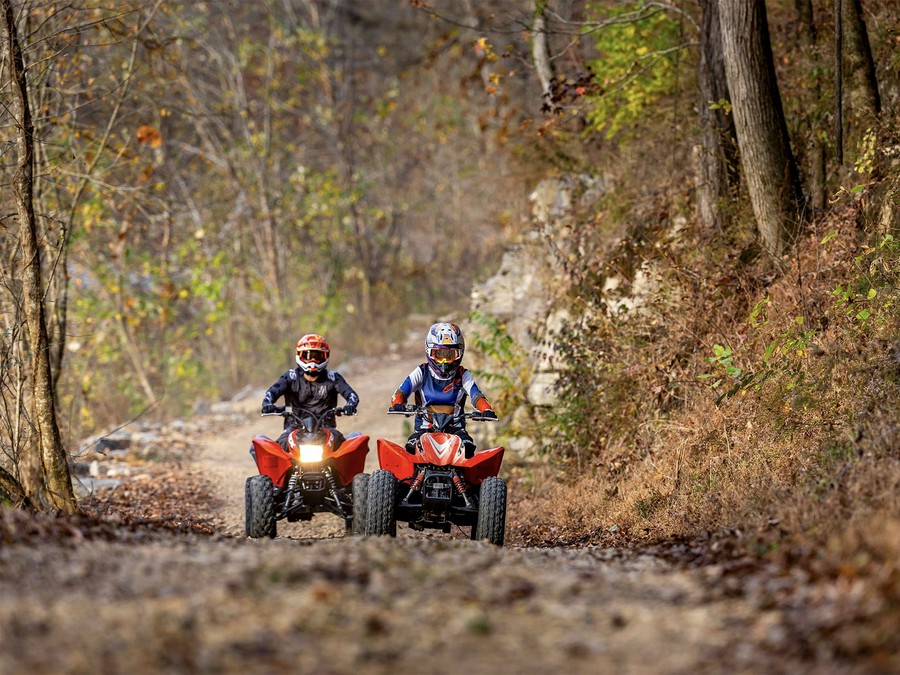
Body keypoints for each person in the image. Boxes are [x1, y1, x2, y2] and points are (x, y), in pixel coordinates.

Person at [389, 322, 496, 457]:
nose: (444, 361)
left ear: (459, 353)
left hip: (456, 430)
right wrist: (398, 404)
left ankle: (469, 479)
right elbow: (401, 392)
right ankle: (412, 478)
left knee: (468, 449)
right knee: (411, 448)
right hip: (424, 429)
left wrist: (486, 409)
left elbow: (477, 396)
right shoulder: (421, 371)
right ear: (429, 352)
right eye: (439, 355)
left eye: (450, 355)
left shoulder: (463, 375)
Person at [261, 334, 359, 452]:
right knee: (277, 449)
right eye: (307, 356)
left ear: (325, 356)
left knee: (346, 448)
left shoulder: (333, 378)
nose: (312, 361)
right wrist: (267, 404)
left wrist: (350, 405)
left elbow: (352, 395)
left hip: (325, 427)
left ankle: (347, 471)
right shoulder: (290, 377)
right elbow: (271, 393)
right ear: (299, 355)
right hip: (295, 427)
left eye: (317, 356)